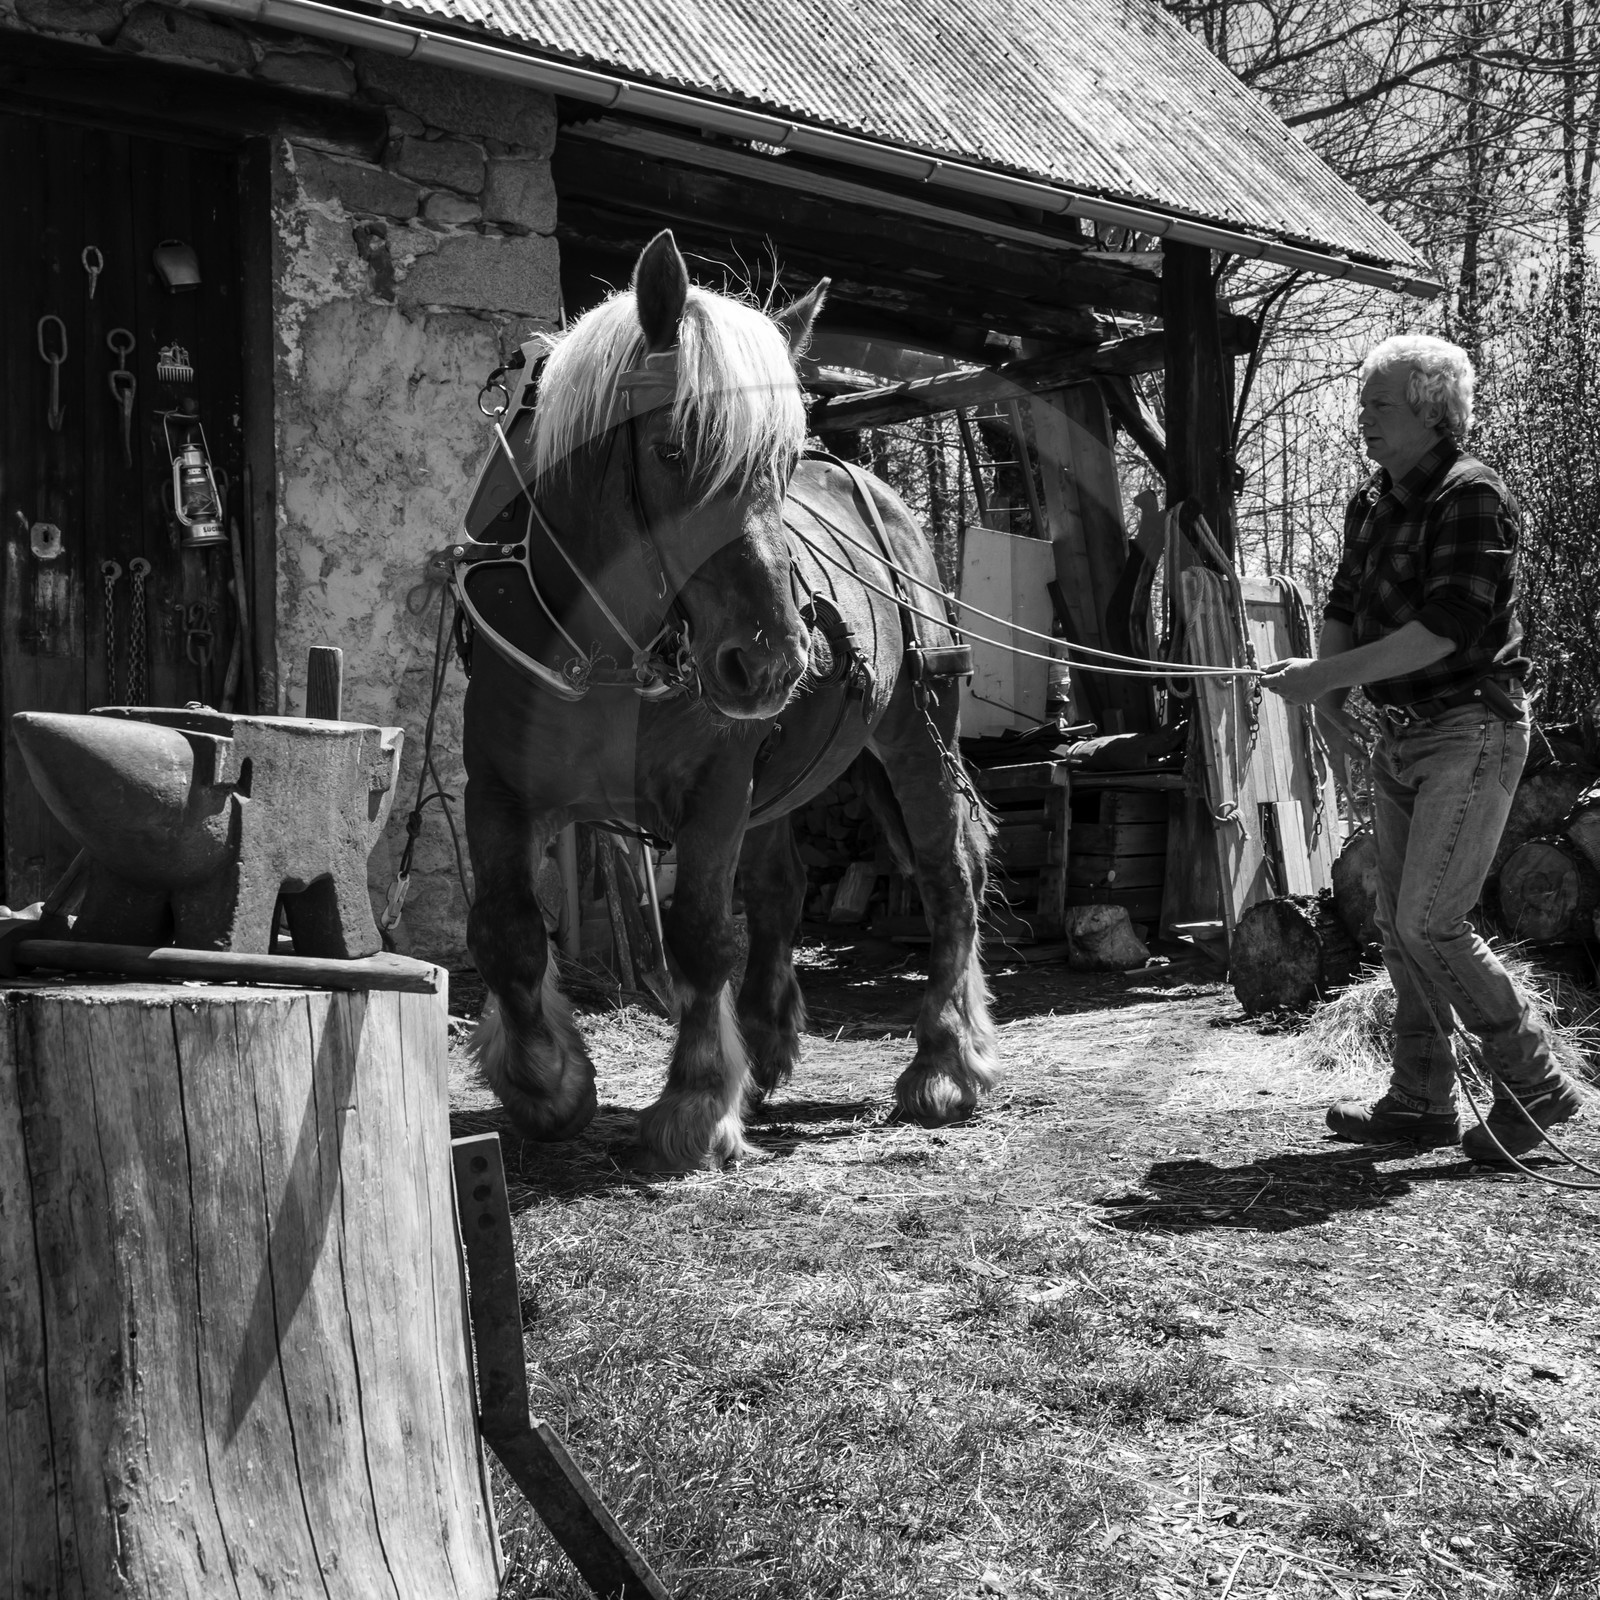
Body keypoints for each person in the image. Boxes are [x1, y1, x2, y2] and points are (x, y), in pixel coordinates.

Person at [1262, 333, 1582, 1162]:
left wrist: (1324, 676)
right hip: (1404, 735)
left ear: (1432, 413)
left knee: (1431, 923)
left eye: (1379, 405)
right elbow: (1341, 600)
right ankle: (1419, 1103)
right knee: (1404, 931)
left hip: (1471, 729)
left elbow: (1444, 631)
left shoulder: (1473, 496)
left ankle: (1536, 1082)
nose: (1361, 418)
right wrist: (1327, 695)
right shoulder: (1372, 501)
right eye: (1363, 402)